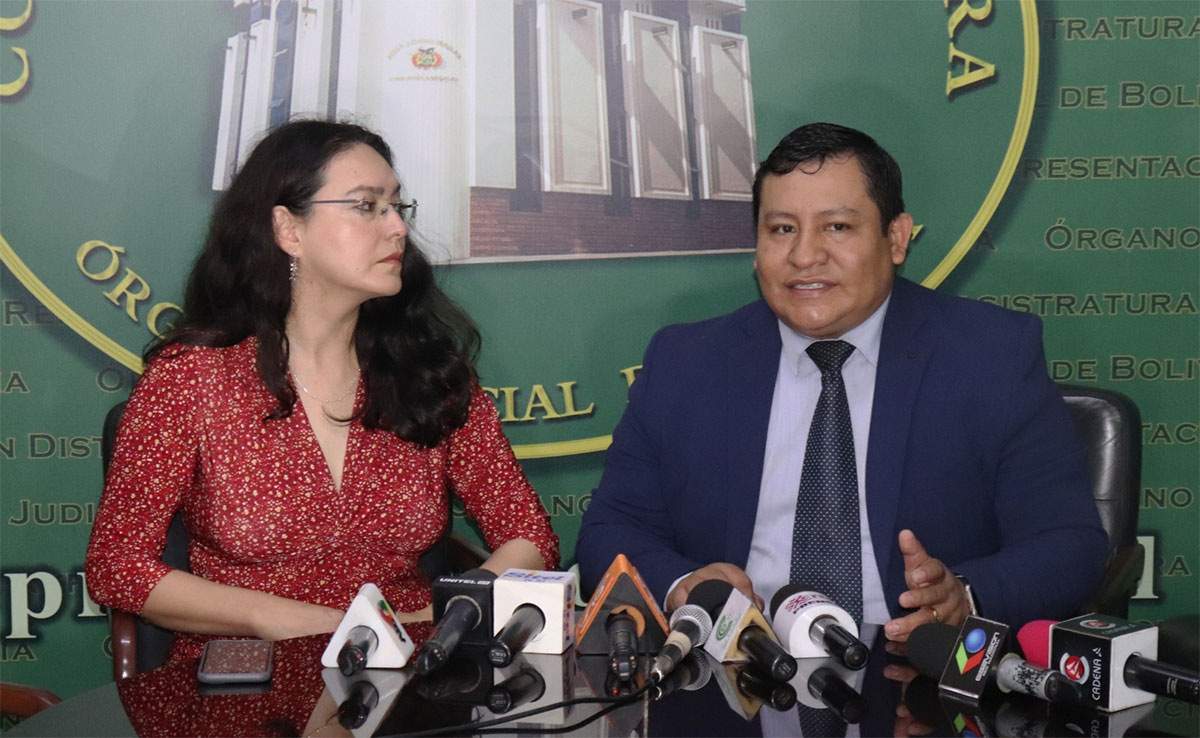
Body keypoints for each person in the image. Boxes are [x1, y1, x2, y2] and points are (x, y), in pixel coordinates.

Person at [575, 122, 1106, 641]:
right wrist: (682, 586)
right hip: (739, 664)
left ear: (896, 238)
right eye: (782, 229)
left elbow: (1069, 543)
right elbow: (610, 530)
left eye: (837, 227)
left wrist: (963, 597)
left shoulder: (992, 355)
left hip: (915, 663)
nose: (804, 256)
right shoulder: (685, 362)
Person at [86, 120, 559, 662]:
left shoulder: (429, 374)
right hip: (248, 674)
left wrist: (457, 612)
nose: (396, 228)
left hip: (409, 664)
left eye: (396, 207)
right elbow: (117, 566)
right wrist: (289, 620)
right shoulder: (192, 377)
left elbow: (529, 533)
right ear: (288, 230)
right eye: (367, 206)